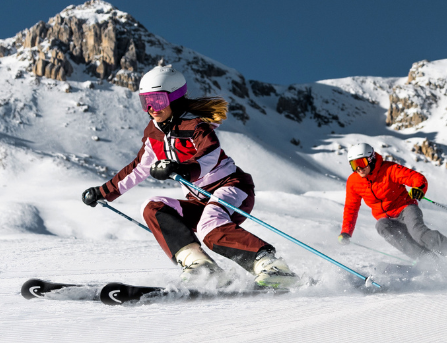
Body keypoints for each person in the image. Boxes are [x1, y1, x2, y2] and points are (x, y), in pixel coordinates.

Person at [81, 65, 296, 288]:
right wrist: (103, 192)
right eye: (146, 102)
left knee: (210, 226)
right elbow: (138, 167)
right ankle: (202, 267)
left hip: (231, 187)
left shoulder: (194, 124)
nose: (152, 108)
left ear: (174, 98)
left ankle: (271, 266)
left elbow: (210, 153)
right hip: (199, 199)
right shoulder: (154, 132)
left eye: (158, 100)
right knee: (153, 206)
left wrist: (184, 169)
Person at [338, 142, 447, 260]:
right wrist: (346, 232)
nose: (359, 168)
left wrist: (419, 188)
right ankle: (428, 261)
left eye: (361, 162)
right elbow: (351, 208)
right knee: (382, 227)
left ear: (371, 159)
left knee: (418, 233)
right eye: (354, 165)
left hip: (406, 209)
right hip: (387, 220)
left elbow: (416, 178)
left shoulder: (389, 169)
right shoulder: (353, 182)